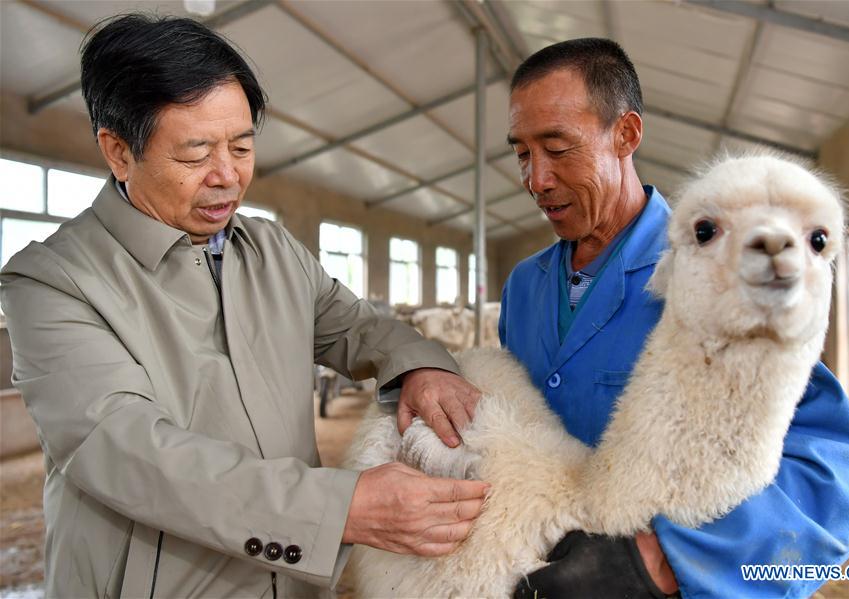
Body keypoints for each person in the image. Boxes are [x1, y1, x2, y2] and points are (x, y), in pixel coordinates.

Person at [0, 14, 488, 598]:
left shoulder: (274, 249)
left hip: (294, 581)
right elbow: (124, 449)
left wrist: (418, 364)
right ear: (119, 152)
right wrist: (339, 509)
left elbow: (357, 326)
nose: (228, 175)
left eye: (241, 145)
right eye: (196, 152)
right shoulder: (54, 279)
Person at [500, 38, 849, 598]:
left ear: (626, 134)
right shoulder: (524, 286)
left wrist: (664, 558)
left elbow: (827, 473)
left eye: (558, 148)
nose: (537, 179)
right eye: (523, 153)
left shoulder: (716, 270)